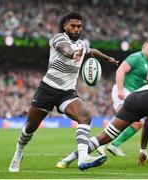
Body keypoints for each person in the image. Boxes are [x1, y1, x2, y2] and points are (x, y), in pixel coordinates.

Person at [9, 12, 118, 172]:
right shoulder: (58, 39)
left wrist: (107, 58)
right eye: (72, 26)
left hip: (66, 93)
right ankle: (18, 154)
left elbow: (92, 51)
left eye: (79, 26)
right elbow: (64, 49)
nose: (76, 29)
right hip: (47, 90)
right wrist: (73, 54)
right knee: (30, 127)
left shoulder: (82, 44)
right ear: (65, 26)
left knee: (85, 116)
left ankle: (83, 158)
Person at [56, 82, 148, 168]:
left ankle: (66, 160)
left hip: (133, 98)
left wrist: (143, 150)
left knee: (105, 136)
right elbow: (147, 122)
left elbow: (147, 123)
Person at [97, 39, 148, 156]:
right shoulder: (136, 57)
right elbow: (121, 70)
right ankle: (103, 144)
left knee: (137, 123)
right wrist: (120, 90)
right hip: (125, 91)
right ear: (143, 47)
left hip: (134, 96)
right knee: (126, 121)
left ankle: (113, 145)